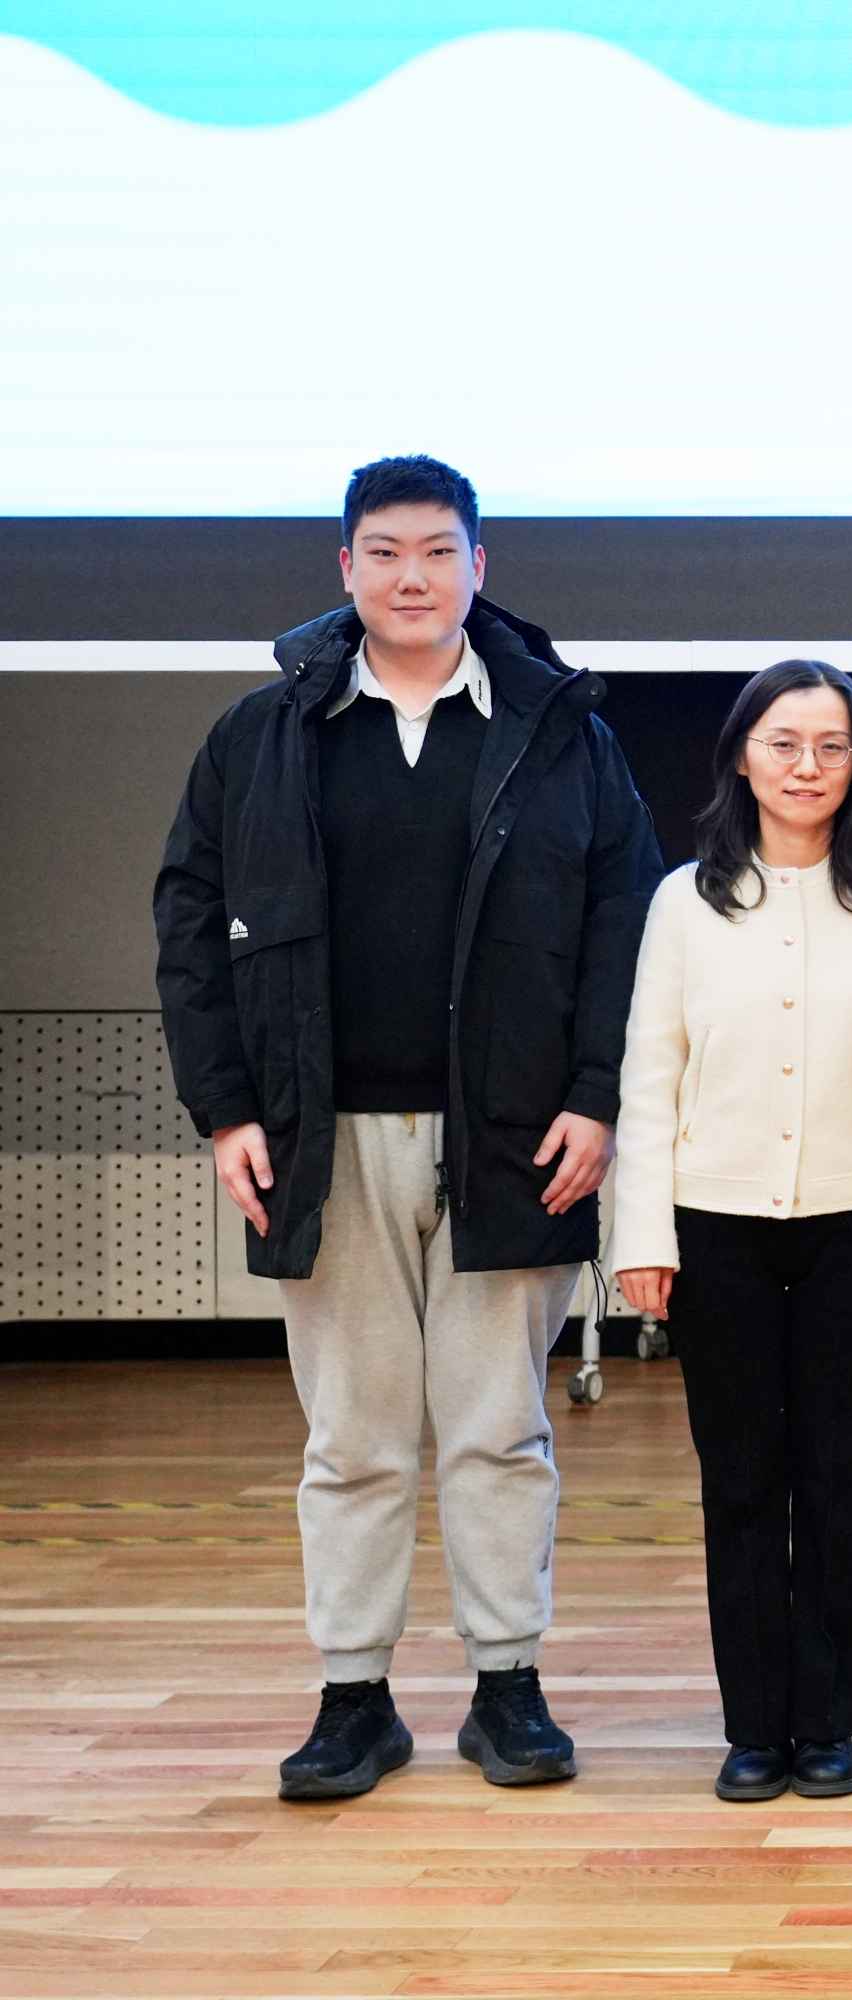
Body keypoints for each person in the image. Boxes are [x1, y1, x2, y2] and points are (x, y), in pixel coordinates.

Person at [154, 454, 661, 1800]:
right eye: (384, 552)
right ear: (347, 569)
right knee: (354, 1435)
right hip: (322, 1140)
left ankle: (508, 1687)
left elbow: (624, 921)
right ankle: (354, 1698)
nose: (413, 576)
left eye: (439, 551)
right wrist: (226, 1110)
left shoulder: (560, 729)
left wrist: (597, 1094)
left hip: (519, 1134)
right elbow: (191, 928)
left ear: (479, 567)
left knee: (500, 1428)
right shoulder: (261, 736)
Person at [610, 661, 852, 1803]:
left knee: (837, 1479)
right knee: (743, 1483)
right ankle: (755, 1722)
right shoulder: (684, 900)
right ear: (742, 757)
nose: (807, 766)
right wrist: (642, 1237)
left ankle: (829, 1721)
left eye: (831, 747)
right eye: (784, 743)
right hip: (714, 1231)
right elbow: (649, 1076)